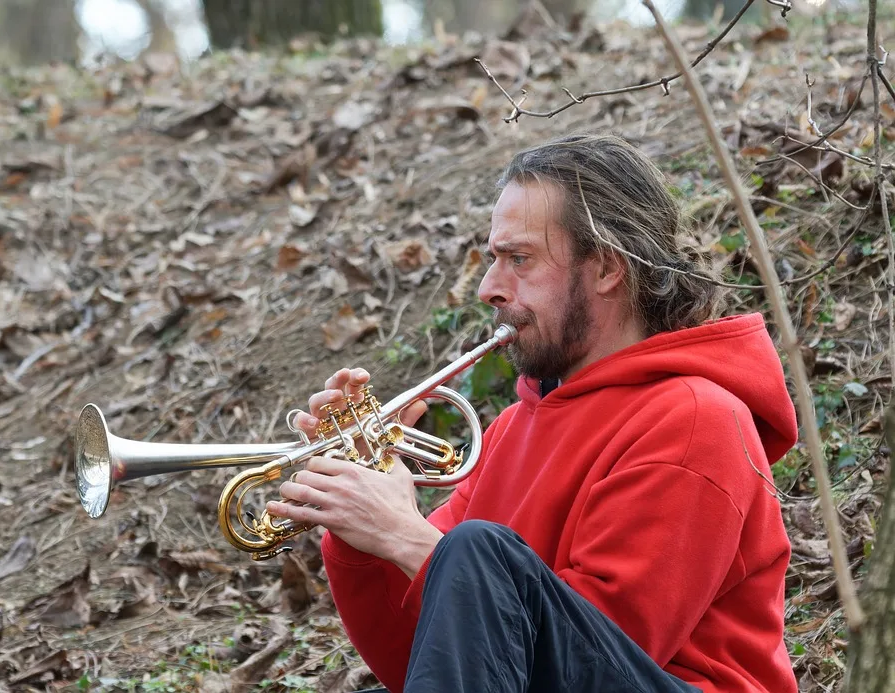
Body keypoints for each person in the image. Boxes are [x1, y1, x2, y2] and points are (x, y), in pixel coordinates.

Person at [265, 133, 799, 693]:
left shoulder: (696, 419)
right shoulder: (508, 432)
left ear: (607, 268)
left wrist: (405, 536)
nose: (488, 288)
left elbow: (598, 662)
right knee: (472, 552)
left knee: (473, 550)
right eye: (494, 260)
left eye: (519, 260)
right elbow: (422, 663)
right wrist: (358, 518)